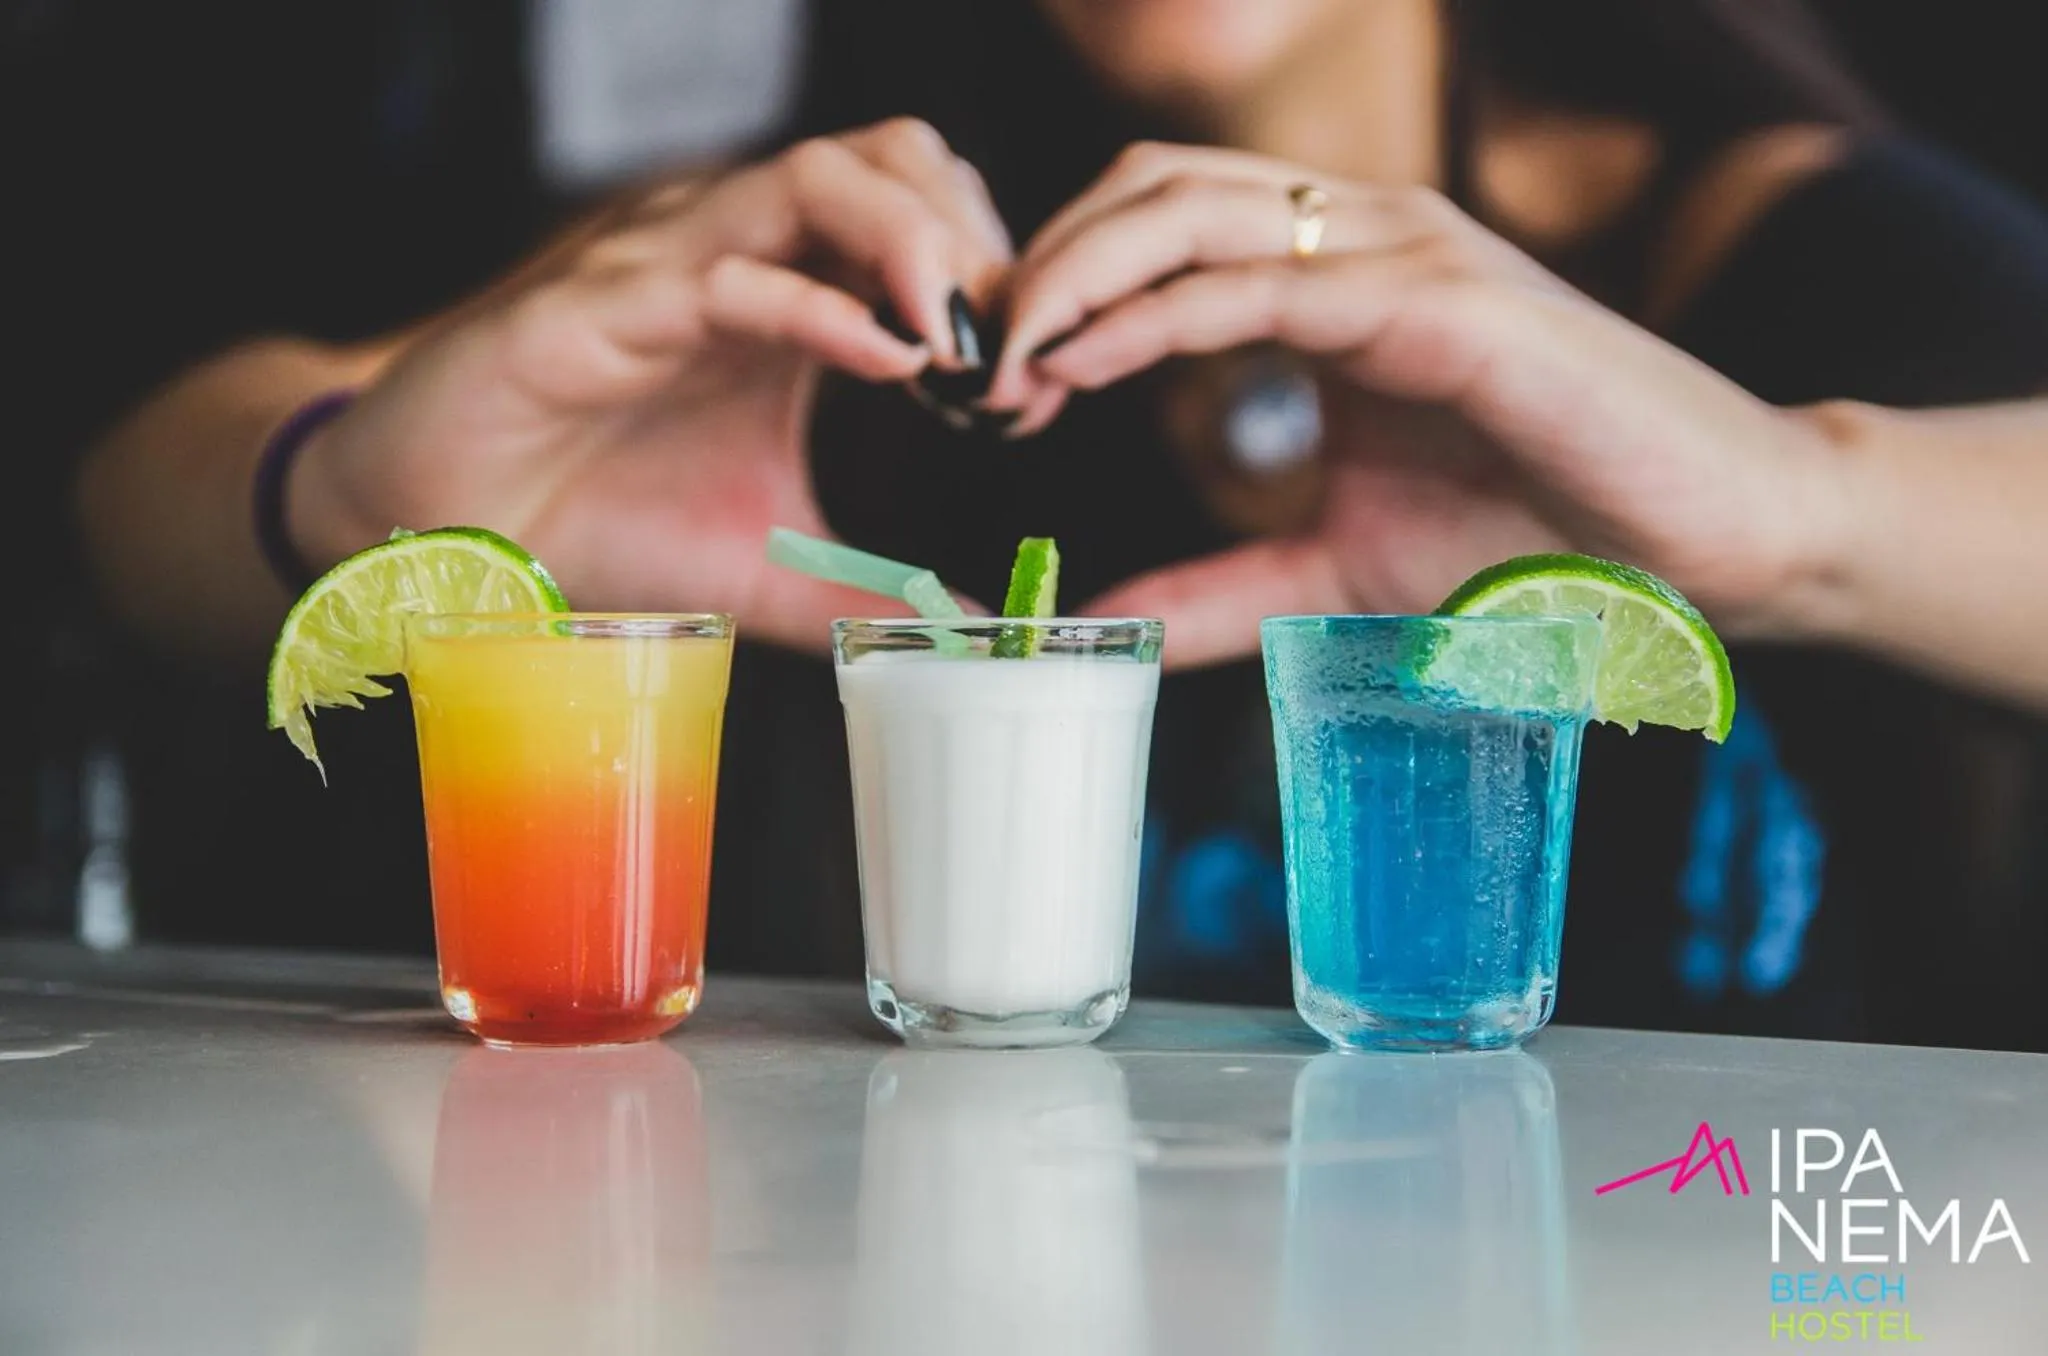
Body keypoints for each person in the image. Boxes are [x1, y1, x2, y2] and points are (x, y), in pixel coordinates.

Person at [57, 0, 2048, 1049]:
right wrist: (359, 495)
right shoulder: (830, 258)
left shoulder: (1781, 252)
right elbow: (129, 494)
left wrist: (1795, 511)